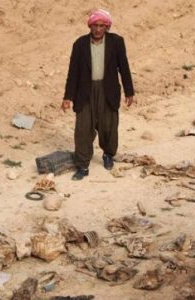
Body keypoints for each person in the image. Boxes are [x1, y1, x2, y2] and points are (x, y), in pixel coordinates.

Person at [61, 9, 135, 181]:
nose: (98, 29)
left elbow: (124, 67)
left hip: (108, 90)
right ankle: (82, 165)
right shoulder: (80, 44)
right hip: (85, 91)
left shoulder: (116, 42)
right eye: (95, 25)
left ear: (107, 27)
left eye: (102, 26)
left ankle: (108, 154)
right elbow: (73, 72)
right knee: (83, 129)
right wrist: (67, 97)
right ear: (90, 25)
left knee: (108, 125)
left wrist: (129, 91)